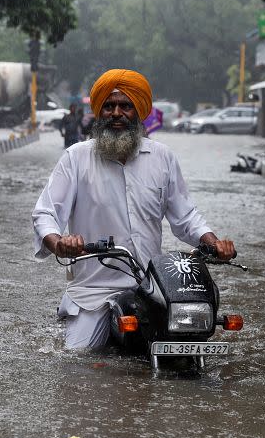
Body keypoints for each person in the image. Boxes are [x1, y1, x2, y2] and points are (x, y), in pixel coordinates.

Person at [32, 68, 236, 349]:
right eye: (109, 106)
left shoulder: (162, 157)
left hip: (154, 288)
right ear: (98, 112)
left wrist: (214, 243)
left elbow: (186, 215)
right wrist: (59, 243)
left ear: (138, 111)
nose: (117, 113)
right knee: (77, 359)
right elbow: (45, 213)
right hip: (95, 292)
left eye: (125, 106)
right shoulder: (75, 158)